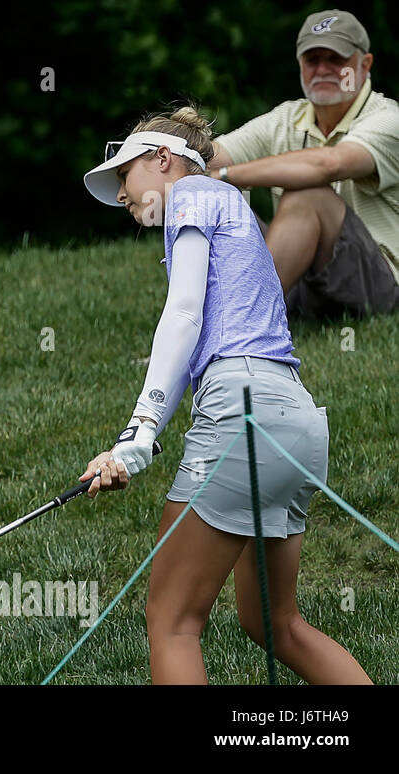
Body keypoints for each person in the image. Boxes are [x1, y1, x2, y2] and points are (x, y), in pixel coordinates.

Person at [78, 107, 371, 684]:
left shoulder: (190, 194)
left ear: (163, 159)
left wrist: (135, 436)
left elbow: (182, 315)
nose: (121, 194)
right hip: (297, 424)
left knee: (172, 621)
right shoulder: (228, 207)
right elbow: (195, 348)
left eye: (124, 176)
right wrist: (136, 448)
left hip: (243, 419)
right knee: (275, 624)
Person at [209, 9, 399, 319]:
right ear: (300, 65)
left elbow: (330, 164)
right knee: (207, 197)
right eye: (313, 60)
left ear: (364, 65)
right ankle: (192, 326)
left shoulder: (389, 119)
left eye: (335, 59)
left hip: (378, 288)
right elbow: (210, 156)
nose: (323, 69)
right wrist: (161, 160)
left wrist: (225, 175)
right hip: (306, 285)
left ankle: (232, 326)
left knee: (307, 194)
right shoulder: (286, 117)